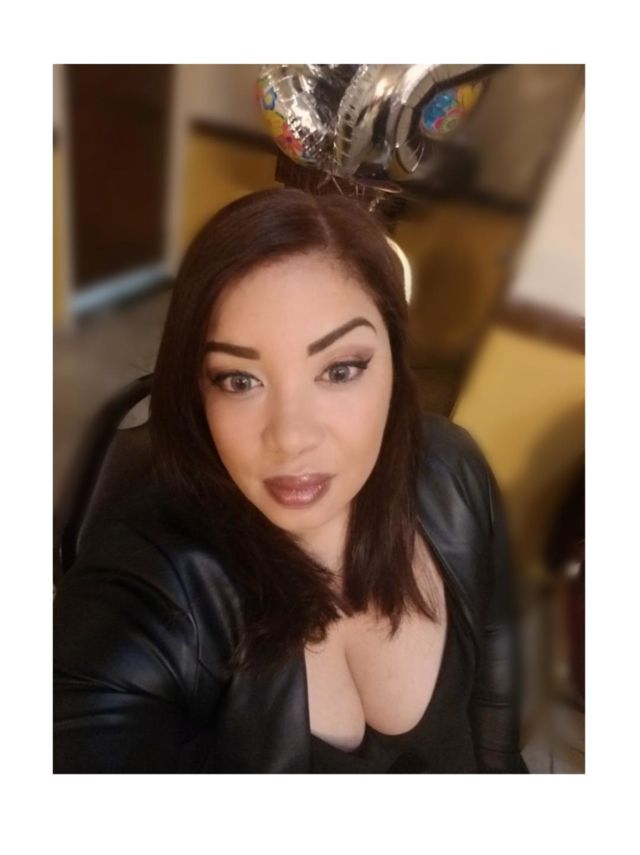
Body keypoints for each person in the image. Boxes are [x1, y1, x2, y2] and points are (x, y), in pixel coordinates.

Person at [53, 187, 529, 774]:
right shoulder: (146, 598)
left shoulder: (455, 474)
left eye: (340, 369)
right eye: (239, 380)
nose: (291, 437)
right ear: (197, 391)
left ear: (394, 364)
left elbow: (497, 732)